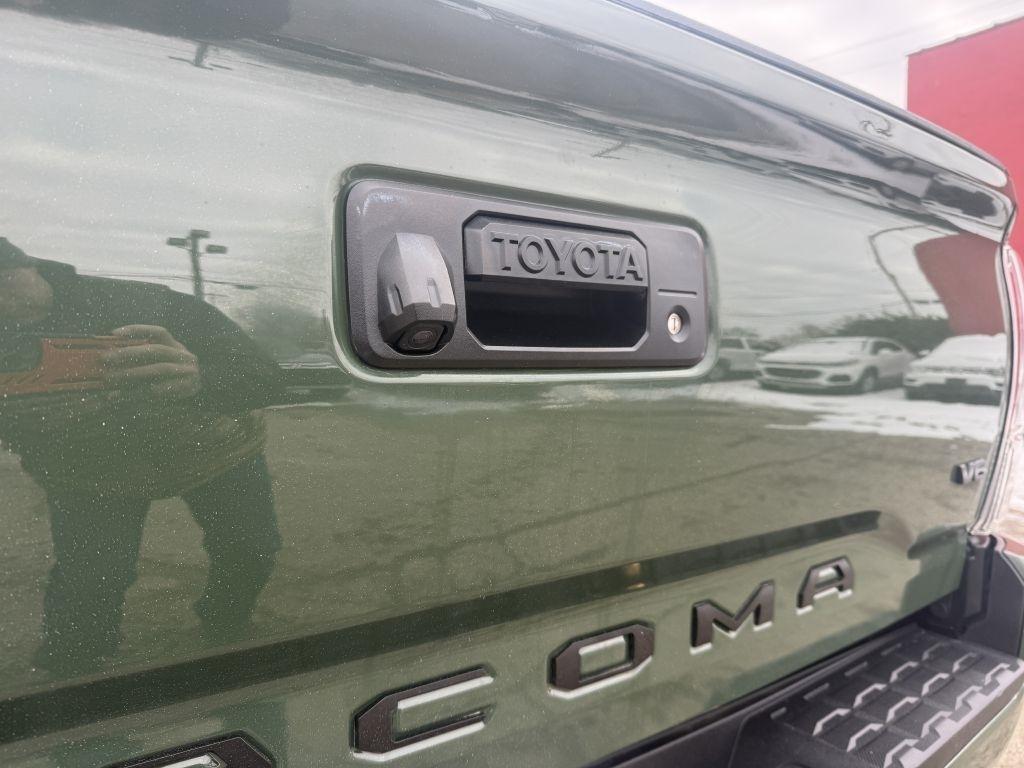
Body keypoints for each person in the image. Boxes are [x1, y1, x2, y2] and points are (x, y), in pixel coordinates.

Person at [0, 238, 283, 675]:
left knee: (251, 551)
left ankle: (224, 623)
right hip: (89, 471)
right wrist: (24, 424)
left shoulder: (143, 303)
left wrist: (200, 379)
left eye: (5, 278)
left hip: (215, 449)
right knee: (90, 582)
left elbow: (266, 377)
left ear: (30, 265)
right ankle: (71, 675)